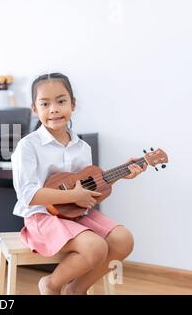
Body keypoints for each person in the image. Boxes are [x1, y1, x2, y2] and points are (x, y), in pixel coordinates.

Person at [11, 73, 146, 294]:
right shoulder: (28, 146)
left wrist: (123, 174)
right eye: (45, 103)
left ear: (72, 104)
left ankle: (76, 289)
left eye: (61, 101)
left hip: (75, 214)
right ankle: (51, 284)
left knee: (123, 239)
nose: (54, 108)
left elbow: (88, 189)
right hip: (41, 217)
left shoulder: (83, 147)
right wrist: (73, 196)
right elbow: (28, 195)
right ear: (35, 109)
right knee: (95, 246)